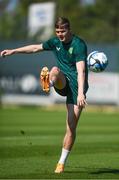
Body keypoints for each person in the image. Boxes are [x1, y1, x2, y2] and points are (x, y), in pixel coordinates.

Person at [0, 17, 89, 173]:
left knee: (71, 127)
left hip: (76, 87)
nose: (60, 34)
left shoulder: (78, 44)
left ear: (69, 30)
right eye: (57, 32)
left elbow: (81, 70)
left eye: (63, 31)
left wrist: (81, 93)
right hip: (62, 80)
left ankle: (61, 163)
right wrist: (14, 51)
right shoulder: (55, 43)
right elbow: (35, 48)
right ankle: (49, 83)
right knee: (54, 70)